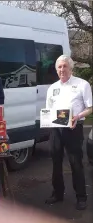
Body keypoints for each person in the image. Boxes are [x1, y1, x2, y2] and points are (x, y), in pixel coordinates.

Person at [45, 55, 92, 210]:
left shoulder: (82, 84)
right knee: (56, 163)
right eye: (59, 67)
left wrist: (78, 116)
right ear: (56, 69)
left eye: (65, 66)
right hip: (56, 130)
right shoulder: (52, 88)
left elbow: (90, 108)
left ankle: (81, 197)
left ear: (71, 68)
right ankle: (57, 193)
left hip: (74, 128)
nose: (62, 69)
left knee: (75, 163)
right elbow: (49, 110)